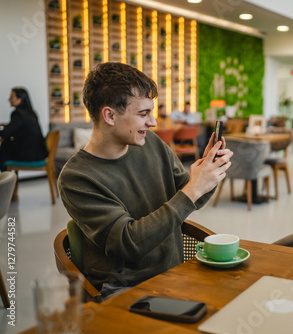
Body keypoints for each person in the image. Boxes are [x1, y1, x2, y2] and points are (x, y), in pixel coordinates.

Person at [58, 62, 232, 297]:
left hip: (175, 274)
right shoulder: (76, 178)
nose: (153, 122)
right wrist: (192, 189)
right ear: (109, 115)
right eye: (143, 114)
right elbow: (129, 244)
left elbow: (189, 197)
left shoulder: (151, 143)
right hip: (127, 289)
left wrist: (208, 174)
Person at [0, 88, 48, 171]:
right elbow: (15, 128)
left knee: (4, 149)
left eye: (12, 97)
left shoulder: (18, 114)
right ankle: (7, 181)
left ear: (20, 99)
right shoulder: (31, 113)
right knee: (6, 146)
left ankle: (5, 181)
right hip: (38, 153)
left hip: (29, 155)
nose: (9, 99)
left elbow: (5, 133)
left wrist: (5, 132)